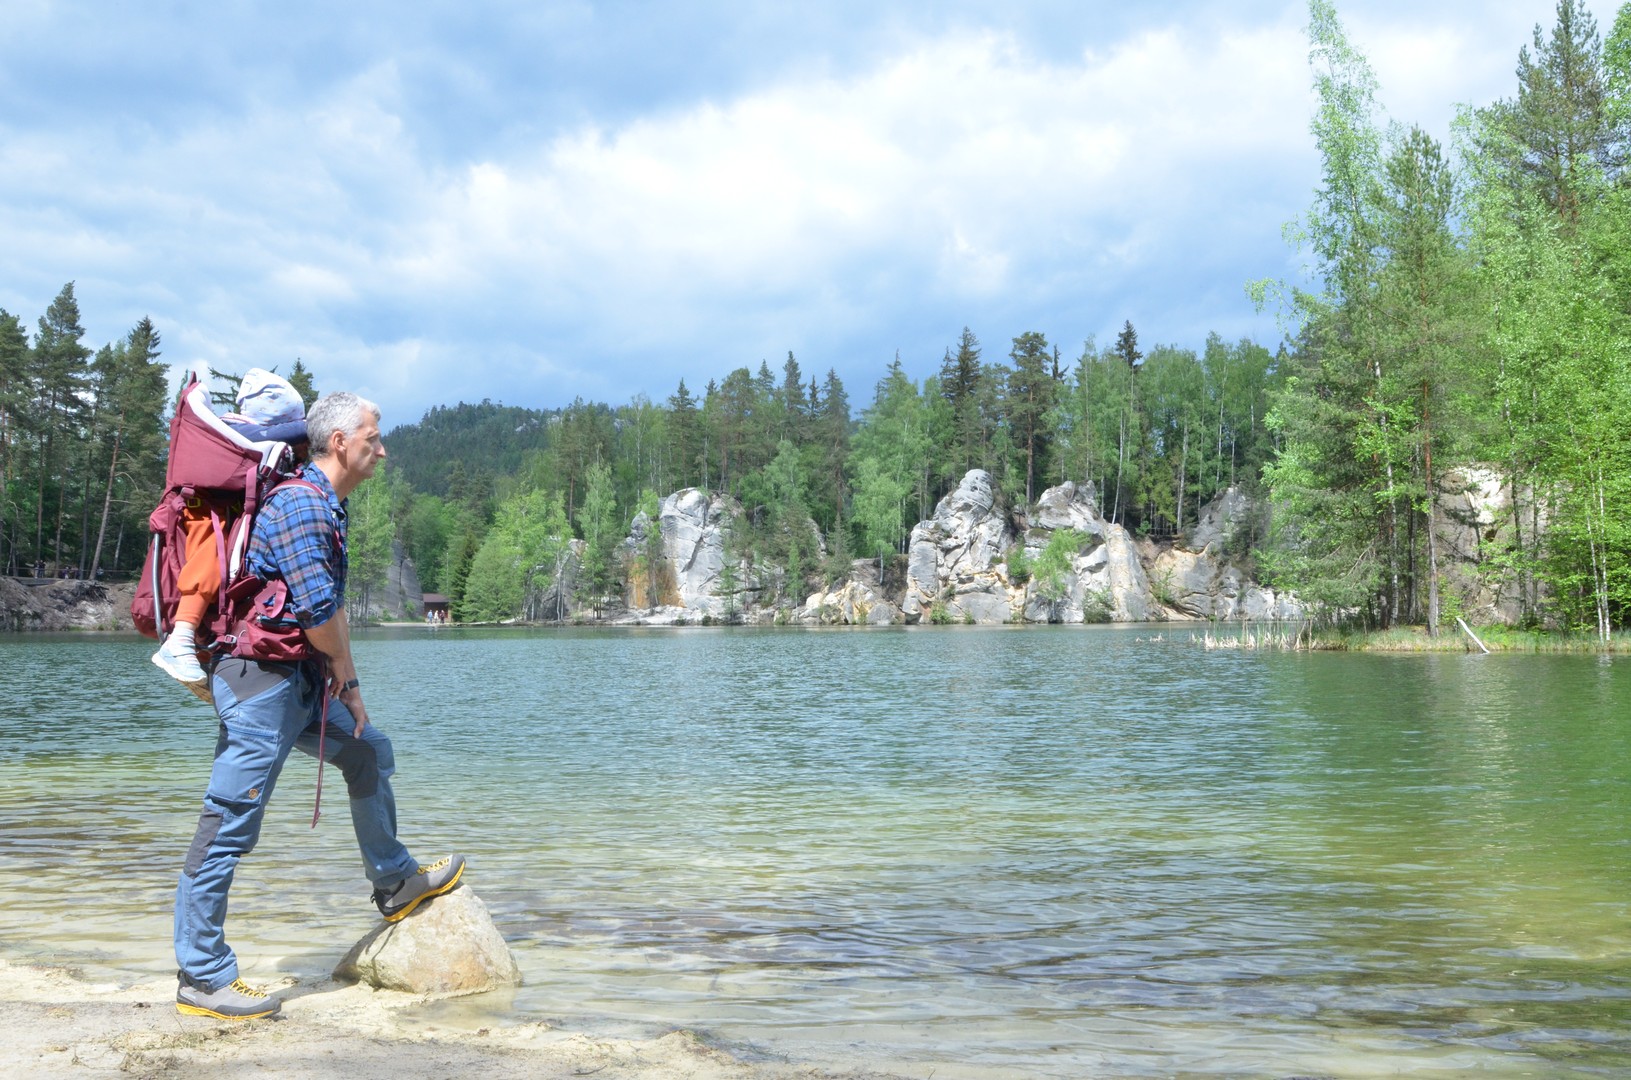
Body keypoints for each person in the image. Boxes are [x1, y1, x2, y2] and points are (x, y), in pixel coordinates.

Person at [173, 390, 465, 1021]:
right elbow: (314, 613)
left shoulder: (329, 506)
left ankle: (394, 881)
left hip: (300, 683)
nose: (382, 450)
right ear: (340, 442)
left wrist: (346, 686)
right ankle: (201, 976)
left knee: (367, 749)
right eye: (373, 437)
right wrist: (343, 674)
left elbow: (328, 613)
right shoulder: (302, 503)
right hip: (261, 687)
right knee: (227, 825)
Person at [151, 369, 311, 688]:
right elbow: (294, 433)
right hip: (204, 519)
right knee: (212, 563)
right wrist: (318, 426)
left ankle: (206, 658)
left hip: (218, 515)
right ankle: (180, 639)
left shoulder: (234, 433)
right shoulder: (237, 430)